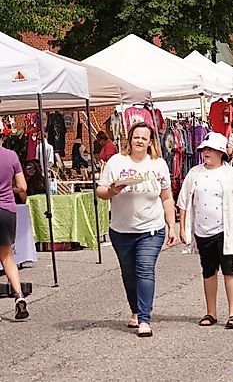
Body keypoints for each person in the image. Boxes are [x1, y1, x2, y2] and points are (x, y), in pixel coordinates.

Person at [96, 122, 177, 337]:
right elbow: (100, 191)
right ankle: (135, 310)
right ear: (130, 139)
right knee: (128, 274)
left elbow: (167, 197)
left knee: (144, 270)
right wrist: (112, 190)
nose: (140, 140)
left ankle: (144, 319)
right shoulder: (116, 161)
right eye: (136, 137)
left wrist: (172, 227)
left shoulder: (158, 165)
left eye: (144, 137)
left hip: (151, 228)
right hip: (121, 230)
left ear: (150, 141)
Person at [177, 132, 233, 330]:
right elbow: (184, 201)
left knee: (230, 270)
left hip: (226, 230)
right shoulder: (194, 173)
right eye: (204, 149)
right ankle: (211, 311)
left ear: (221, 152)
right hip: (203, 231)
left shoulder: (232, 174)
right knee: (208, 271)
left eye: (211, 149)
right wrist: (182, 227)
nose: (206, 153)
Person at [0, 136, 30, 320]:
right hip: (7, 210)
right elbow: (23, 187)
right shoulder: (11, 156)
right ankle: (19, 295)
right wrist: (8, 188)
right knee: (7, 257)